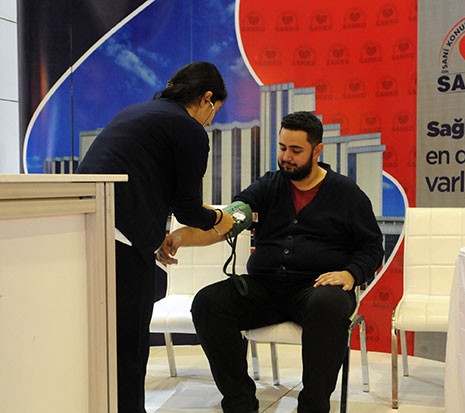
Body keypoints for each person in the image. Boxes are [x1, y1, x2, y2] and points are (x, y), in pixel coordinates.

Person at [157, 111, 384, 413]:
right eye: (282, 147)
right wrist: (180, 237)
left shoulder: (346, 193)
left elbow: (372, 246)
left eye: (296, 150)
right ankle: (240, 403)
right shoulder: (267, 186)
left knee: (329, 305)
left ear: (317, 150)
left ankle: (313, 407)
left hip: (316, 289)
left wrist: (351, 274)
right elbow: (228, 221)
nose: (286, 157)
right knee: (208, 303)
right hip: (265, 288)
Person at [76, 61, 235, 413]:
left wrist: (153, 235)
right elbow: (188, 209)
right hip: (121, 239)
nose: (211, 121)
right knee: (130, 344)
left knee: (97, 340)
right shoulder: (189, 130)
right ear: (207, 98)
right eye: (215, 111)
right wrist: (220, 218)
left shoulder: (138, 113)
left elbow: (145, 182)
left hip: (83, 229)